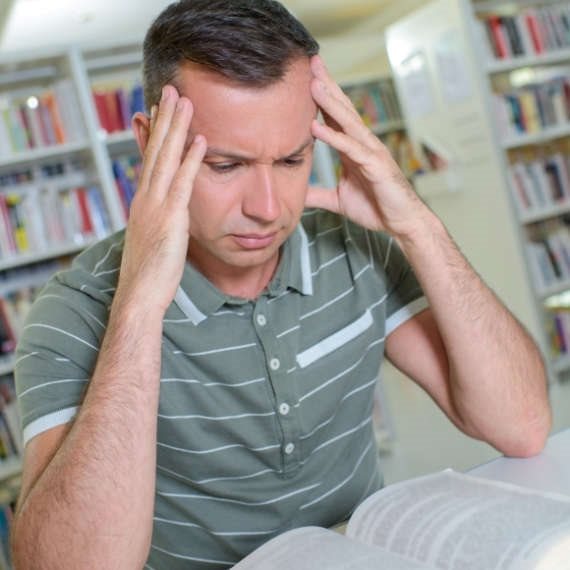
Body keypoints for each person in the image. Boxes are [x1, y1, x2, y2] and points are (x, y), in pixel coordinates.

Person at [11, 0, 551, 568]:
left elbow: (521, 425)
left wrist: (418, 226)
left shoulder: (354, 247)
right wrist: (140, 303)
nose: (268, 209)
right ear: (151, 144)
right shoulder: (74, 309)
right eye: (226, 165)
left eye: (292, 160)